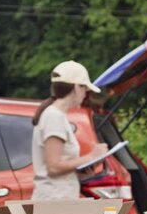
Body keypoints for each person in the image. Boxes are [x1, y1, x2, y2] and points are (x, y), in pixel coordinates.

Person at [31, 60, 108, 200]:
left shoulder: (56, 115)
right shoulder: (54, 116)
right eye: (85, 88)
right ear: (76, 88)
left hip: (58, 200)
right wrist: (90, 157)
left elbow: (57, 169)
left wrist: (82, 173)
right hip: (54, 202)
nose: (86, 94)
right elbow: (53, 167)